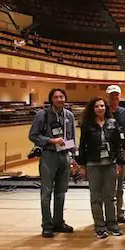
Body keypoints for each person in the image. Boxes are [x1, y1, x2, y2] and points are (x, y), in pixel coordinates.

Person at [29, 88, 77, 238]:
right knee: (46, 192)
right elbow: (33, 135)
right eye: (56, 97)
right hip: (49, 155)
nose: (59, 99)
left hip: (64, 155)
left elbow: (72, 137)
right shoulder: (41, 115)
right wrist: (50, 140)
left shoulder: (68, 115)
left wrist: (74, 156)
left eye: (62, 97)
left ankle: (58, 222)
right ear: (51, 99)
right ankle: (47, 225)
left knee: (61, 191)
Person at [77, 97, 125, 238]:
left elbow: (118, 145)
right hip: (93, 165)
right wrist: (82, 165)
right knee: (96, 197)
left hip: (110, 164)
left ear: (106, 108)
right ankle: (99, 226)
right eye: (97, 106)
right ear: (93, 108)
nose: (100, 108)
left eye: (102, 106)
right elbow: (82, 146)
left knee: (110, 196)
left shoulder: (113, 123)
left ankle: (113, 224)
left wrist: (119, 162)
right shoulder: (87, 125)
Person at [106, 85, 125, 224]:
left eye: (117, 95)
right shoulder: (103, 111)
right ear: (108, 97)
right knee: (108, 187)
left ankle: (120, 213)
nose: (114, 98)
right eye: (112, 95)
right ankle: (109, 214)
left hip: (121, 154)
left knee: (120, 186)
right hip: (106, 155)